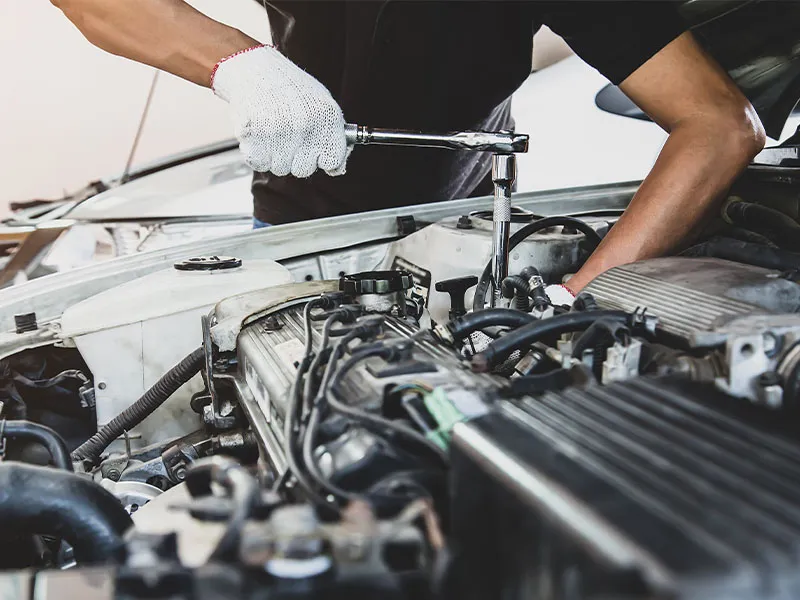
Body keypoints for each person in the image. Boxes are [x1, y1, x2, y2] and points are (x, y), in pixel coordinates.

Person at [52, 0, 765, 299]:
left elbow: (719, 123)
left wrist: (578, 297)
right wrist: (233, 60)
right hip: (294, 236)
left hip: (456, 254)